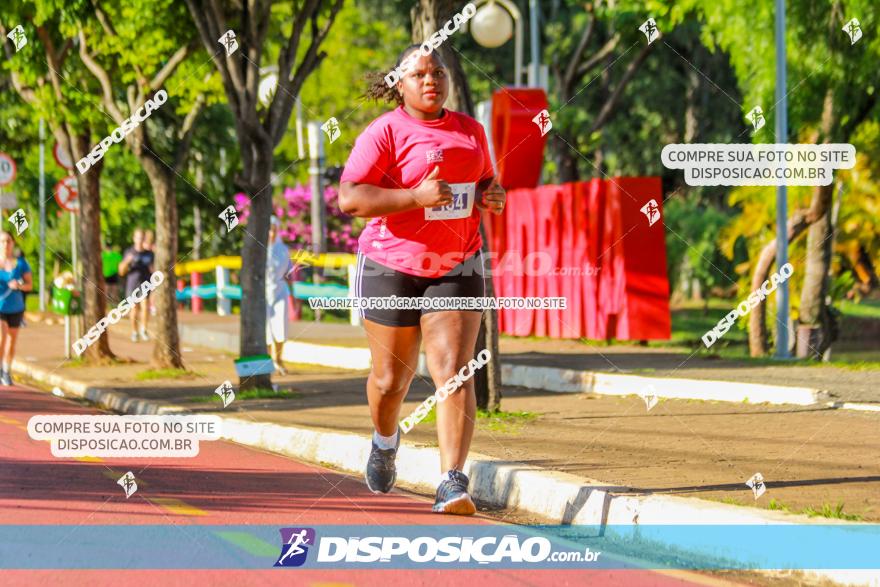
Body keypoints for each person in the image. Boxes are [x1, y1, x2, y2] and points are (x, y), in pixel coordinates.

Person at [338, 45, 506, 515]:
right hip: (390, 266)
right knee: (392, 379)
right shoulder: (385, 131)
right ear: (400, 83)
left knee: (454, 370)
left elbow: (485, 182)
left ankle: (453, 481)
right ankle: (385, 440)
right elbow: (350, 198)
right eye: (419, 74)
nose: (430, 80)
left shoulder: (471, 130)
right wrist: (414, 196)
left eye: (437, 72)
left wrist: (493, 195)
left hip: (457, 264)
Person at [0, 231, 33, 386]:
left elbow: (29, 285)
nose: (6, 244)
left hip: (16, 307)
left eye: (8, 241)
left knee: (12, 341)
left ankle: (6, 370)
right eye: (2, 241)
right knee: (2, 337)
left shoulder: (20, 264)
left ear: (13, 243)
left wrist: (19, 285)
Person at [266, 217, 293, 375]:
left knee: (280, 325)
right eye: (269, 229)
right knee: (266, 327)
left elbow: (289, 272)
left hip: (280, 290)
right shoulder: (259, 249)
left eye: (274, 229)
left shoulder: (282, 249)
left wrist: (292, 291)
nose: (272, 233)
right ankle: (269, 360)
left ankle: (279, 359)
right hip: (264, 292)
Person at [119, 228, 154, 342]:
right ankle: (134, 332)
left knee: (145, 307)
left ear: (144, 239)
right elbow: (121, 271)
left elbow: (153, 269)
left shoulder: (149, 254)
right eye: (138, 237)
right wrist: (127, 262)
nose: (139, 240)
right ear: (134, 238)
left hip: (145, 284)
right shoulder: (129, 252)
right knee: (134, 310)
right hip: (132, 284)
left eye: (142, 238)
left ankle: (144, 330)